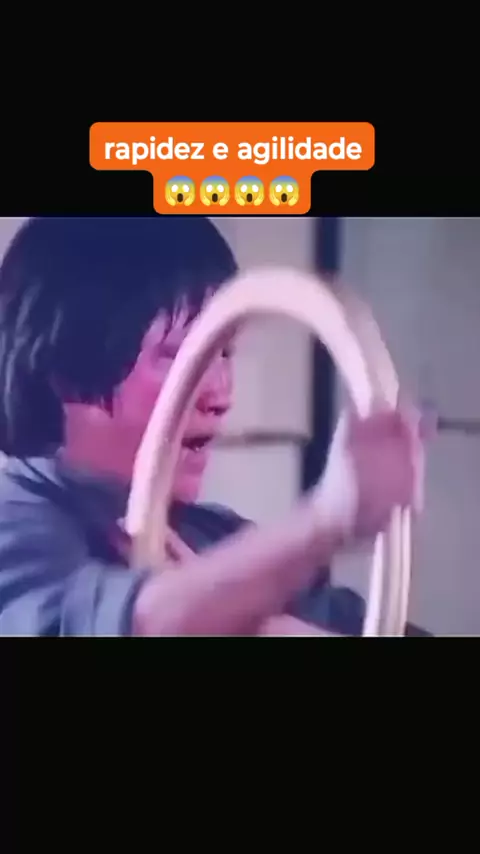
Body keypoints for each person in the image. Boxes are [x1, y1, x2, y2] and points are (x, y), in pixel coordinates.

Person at [0, 216, 426, 636]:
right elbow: (127, 628)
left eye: (223, 354)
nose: (220, 394)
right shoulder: (14, 524)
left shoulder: (217, 538)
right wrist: (324, 522)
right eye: (178, 356)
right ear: (69, 368)